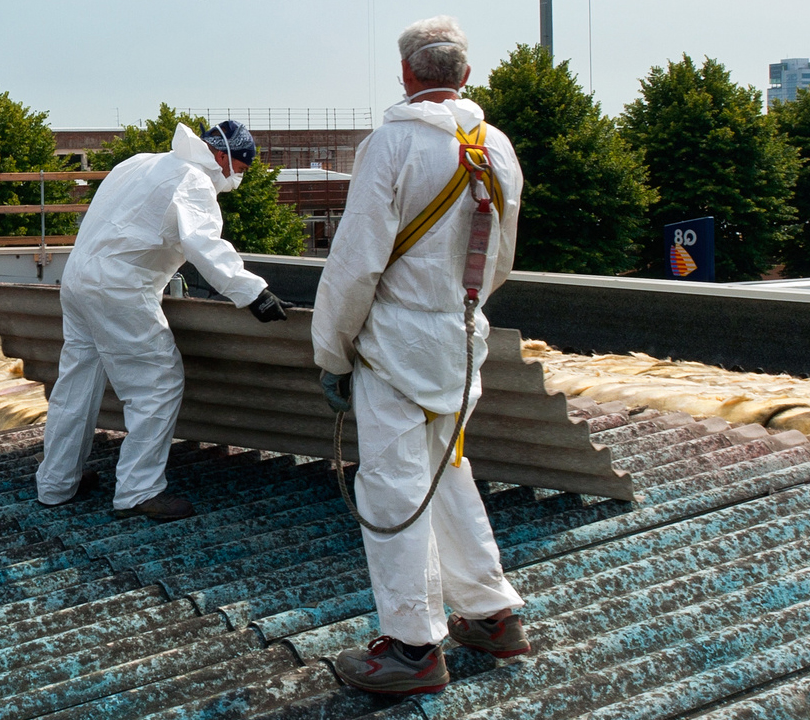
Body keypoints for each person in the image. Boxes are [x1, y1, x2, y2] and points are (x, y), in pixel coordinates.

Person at [312, 16, 529, 695]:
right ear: (465, 75)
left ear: (407, 75)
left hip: (396, 351)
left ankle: (411, 647)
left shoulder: (391, 146)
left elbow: (354, 267)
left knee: (394, 488)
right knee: (445, 476)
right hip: (460, 344)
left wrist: (333, 351)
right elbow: (500, 261)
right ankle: (491, 614)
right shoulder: (496, 147)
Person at [36, 119, 290, 521]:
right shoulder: (194, 180)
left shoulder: (140, 162)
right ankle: (138, 491)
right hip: (119, 288)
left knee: (77, 382)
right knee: (157, 382)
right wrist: (252, 293)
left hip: (78, 279)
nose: (236, 180)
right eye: (239, 171)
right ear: (222, 157)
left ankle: (56, 482)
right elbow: (203, 242)